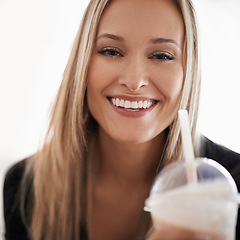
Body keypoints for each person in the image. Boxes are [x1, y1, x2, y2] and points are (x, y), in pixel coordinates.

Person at [3, 0, 240, 239]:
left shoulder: (232, 187)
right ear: (82, 62)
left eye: (161, 55)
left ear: (189, 70)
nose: (134, 81)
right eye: (111, 51)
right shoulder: (26, 185)